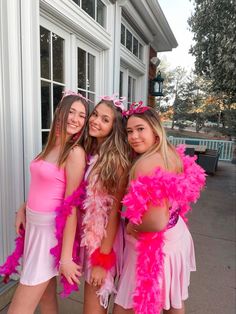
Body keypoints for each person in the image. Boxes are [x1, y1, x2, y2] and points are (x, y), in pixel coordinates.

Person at [0, 91, 89, 314]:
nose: (76, 119)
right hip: (33, 228)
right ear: (60, 112)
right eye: (72, 112)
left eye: (82, 116)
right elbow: (41, 184)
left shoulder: (75, 153)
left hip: (49, 235)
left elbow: (71, 207)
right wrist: (23, 208)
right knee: (47, 299)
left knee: (18, 309)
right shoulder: (50, 146)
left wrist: (66, 257)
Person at [113, 103, 206, 314]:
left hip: (154, 247)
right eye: (129, 131)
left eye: (140, 129)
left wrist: (131, 228)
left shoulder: (146, 164)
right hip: (176, 236)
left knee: (127, 306)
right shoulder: (170, 154)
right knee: (173, 299)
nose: (134, 136)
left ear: (155, 131)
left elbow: (157, 222)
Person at [80, 96, 130, 314]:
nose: (95, 121)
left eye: (104, 119)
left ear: (114, 127)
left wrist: (102, 259)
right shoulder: (95, 153)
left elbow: (115, 214)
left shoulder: (116, 162)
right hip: (93, 237)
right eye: (95, 115)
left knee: (94, 303)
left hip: (105, 242)